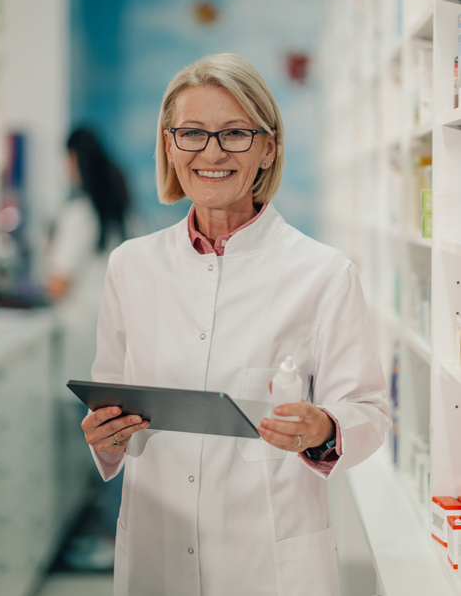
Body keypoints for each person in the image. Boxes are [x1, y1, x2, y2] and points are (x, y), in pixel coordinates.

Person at [81, 54, 391, 596]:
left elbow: (367, 411)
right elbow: (111, 404)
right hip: (157, 550)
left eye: (235, 134)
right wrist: (104, 437)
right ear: (170, 144)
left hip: (270, 562)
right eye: (193, 134)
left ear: (268, 147)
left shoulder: (324, 273)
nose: (212, 153)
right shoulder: (130, 266)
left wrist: (323, 428)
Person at [47, 127, 131, 568]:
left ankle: (106, 538)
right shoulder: (119, 204)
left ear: (73, 161)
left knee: (101, 444)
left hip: (82, 341)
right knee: (116, 439)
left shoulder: (79, 212)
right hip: (116, 339)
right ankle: (112, 534)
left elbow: (57, 282)